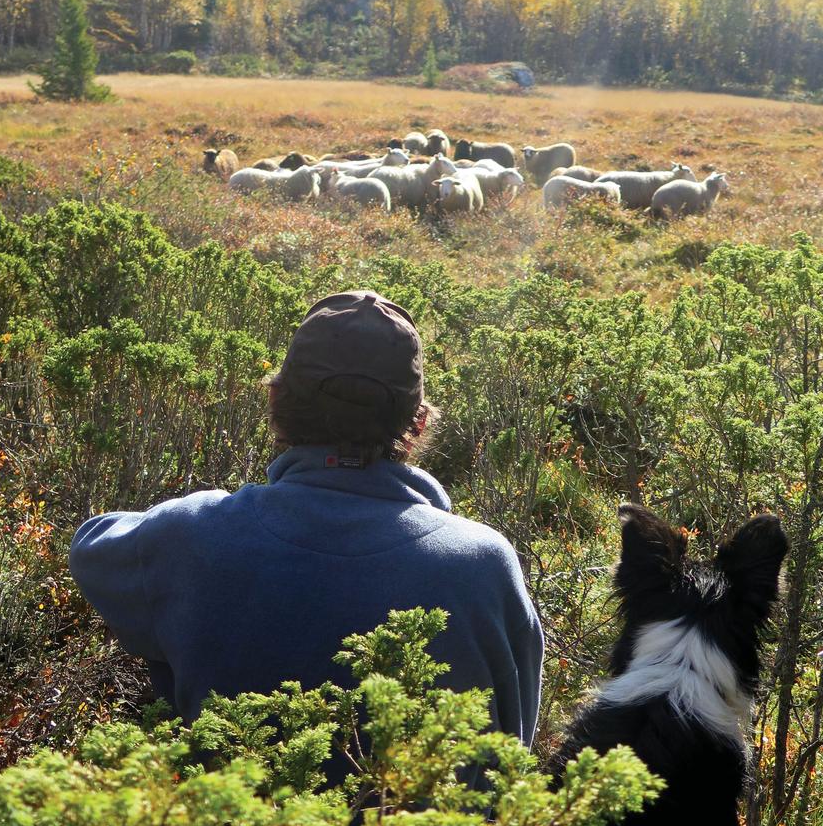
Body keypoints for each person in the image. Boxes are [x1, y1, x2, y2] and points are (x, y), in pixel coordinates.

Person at [70, 290, 544, 749]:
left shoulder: (193, 535)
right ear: (417, 424)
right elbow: (513, 743)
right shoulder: (483, 563)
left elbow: (92, 543)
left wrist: (208, 514)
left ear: (276, 401)